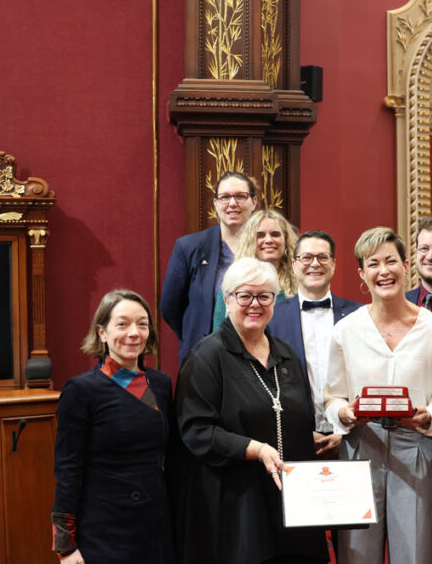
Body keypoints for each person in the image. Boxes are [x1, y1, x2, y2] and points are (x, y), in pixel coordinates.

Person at [173, 258, 327, 564]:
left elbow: (286, 415)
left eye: (264, 296)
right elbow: (196, 432)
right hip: (237, 507)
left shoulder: (286, 355)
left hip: (293, 503)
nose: (254, 304)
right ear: (228, 299)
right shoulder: (206, 356)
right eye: (245, 295)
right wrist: (254, 449)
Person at [324, 227, 432, 564]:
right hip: (361, 444)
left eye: (391, 261)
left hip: (418, 447)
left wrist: (430, 416)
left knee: (417, 554)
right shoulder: (346, 331)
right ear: (362, 274)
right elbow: (331, 399)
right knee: (357, 555)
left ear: (406, 266)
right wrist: (343, 414)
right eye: (374, 264)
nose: (384, 271)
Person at [52, 290, 173, 564]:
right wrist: (65, 546)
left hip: (156, 528)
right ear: (102, 333)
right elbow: (68, 471)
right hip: (106, 532)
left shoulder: (161, 384)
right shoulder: (82, 390)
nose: (134, 332)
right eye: (122, 324)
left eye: (142, 324)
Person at [268, 229, 362, 459]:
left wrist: (347, 432)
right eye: (306, 257)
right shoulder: (272, 318)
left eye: (323, 257)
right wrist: (301, 433)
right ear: (294, 264)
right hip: (294, 440)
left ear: (334, 264)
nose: (315, 264)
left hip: (351, 438)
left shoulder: (359, 315)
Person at [161, 171, 258, 363]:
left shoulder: (267, 247)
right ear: (215, 203)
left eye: (240, 196)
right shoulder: (189, 247)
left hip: (257, 354)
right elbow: (170, 306)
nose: (232, 203)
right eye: (224, 197)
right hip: (204, 356)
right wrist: (196, 330)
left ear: (254, 202)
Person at [238, 208, 299, 301]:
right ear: (249, 242)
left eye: (275, 234)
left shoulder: (302, 284)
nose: (268, 240)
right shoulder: (233, 284)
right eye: (260, 235)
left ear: (286, 241)